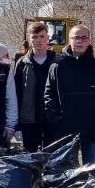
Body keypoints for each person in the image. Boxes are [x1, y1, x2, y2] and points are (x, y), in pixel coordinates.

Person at [44, 24, 95, 164]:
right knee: (65, 177)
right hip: (65, 131)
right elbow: (48, 96)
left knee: (92, 175)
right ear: (69, 40)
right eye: (76, 37)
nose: (80, 41)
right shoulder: (57, 66)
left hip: (93, 131)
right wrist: (56, 120)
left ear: (89, 40)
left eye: (84, 38)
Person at [14, 21, 57, 151]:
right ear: (29, 39)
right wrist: (17, 125)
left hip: (52, 120)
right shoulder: (22, 63)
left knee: (52, 161)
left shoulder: (58, 61)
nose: (38, 40)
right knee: (31, 162)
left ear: (48, 38)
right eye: (34, 37)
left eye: (42, 36)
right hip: (29, 121)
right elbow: (17, 94)